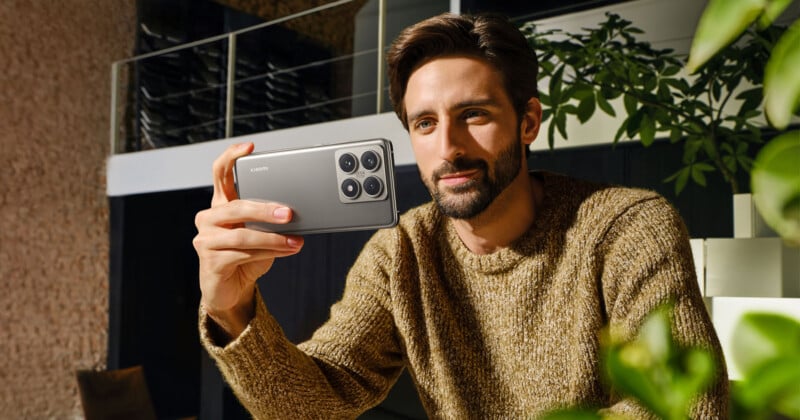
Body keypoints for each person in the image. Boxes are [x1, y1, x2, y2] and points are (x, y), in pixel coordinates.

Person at [193, 12, 728, 419]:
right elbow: (316, 402)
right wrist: (233, 309)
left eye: (473, 115)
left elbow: (685, 407)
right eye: (425, 124)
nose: (448, 147)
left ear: (528, 122)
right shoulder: (403, 251)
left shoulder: (626, 227)